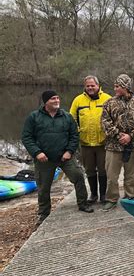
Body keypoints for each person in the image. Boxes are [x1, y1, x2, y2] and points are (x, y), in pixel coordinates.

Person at [22, 90, 93, 224]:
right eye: (53, 99)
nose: (56, 101)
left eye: (57, 98)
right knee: (43, 186)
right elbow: (26, 137)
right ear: (46, 102)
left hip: (64, 157)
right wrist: (37, 152)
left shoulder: (67, 117)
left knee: (78, 176)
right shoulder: (34, 117)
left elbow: (74, 136)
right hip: (44, 158)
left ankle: (83, 203)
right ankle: (44, 213)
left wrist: (69, 151)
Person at [101, 74, 134, 211]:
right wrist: (118, 135)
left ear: (126, 87)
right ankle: (111, 199)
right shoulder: (109, 103)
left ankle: (129, 198)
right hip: (113, 146)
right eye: (115, 86)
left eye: (118, 86)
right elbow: (105, 123)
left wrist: (130, 136)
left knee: (130, 175)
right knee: (111, 176)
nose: (115, 88)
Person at [70, 75, 111, 203]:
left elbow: (114, 118)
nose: (90, 88)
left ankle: (103, 195)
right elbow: (72, 120)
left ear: (98, 86)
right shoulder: (78, 100)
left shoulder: (108, 99)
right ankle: (93, 194)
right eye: (88, 86)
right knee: (90, 170)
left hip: (103, 143)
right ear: (85, 87)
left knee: (103, 170)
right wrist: (77, 132)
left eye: (92, 85)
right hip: (85, 143)